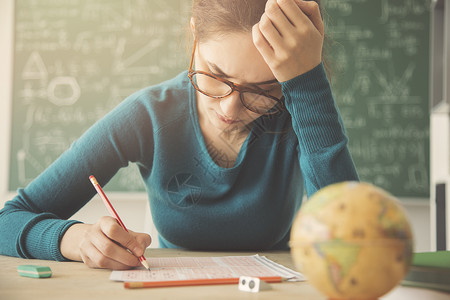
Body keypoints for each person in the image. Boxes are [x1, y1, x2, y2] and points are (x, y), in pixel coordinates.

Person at [0, 0, 358, 270]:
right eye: (215, 76)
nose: (230, 110)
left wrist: (308, 82)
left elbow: (354, 246)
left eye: (262, 91)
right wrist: (74, 239)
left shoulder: (300, 109)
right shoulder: (149, 114)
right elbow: (7, 220)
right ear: (194, 40)